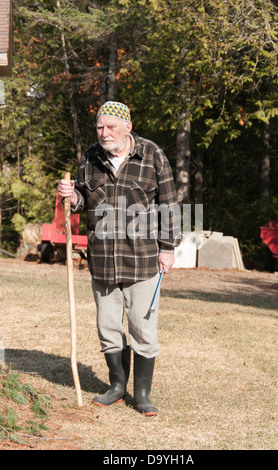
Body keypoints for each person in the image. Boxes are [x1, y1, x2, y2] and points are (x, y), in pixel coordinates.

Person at [58, 101, 180, 416]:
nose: (104, 132)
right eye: (99, 126)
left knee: (142, 327)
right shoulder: (89, 157)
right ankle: (116, 386)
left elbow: (168, 202)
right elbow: (83, 200)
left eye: (111, 126)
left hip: (143, 260)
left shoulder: (152, 155)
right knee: (108, 327)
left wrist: (168, 247)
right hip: (102, 258)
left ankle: (141, 395)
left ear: (128, 126)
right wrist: (71, 197)